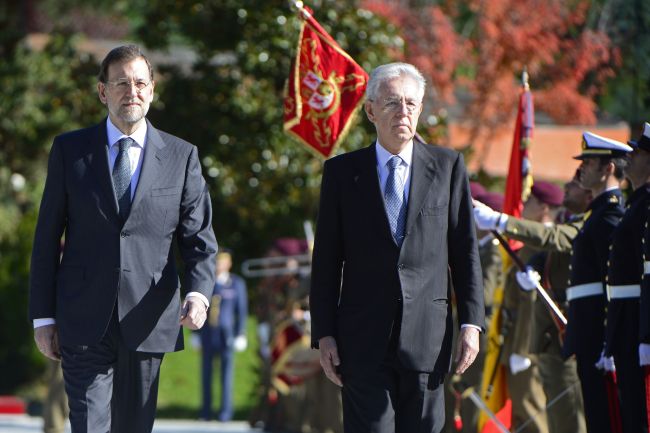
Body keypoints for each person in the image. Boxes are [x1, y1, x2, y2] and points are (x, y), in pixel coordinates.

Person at [28, 45, 218, 433]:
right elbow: (46, 238)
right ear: (103, 92)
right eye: (121, 83)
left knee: (134, 426)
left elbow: (198, 238)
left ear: (152, 90)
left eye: (140, 83)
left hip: (148, 319)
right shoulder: (70, 151)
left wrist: (198, 294)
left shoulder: (182, 157)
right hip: (82, 320)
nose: (132, 91)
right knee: (89, 425)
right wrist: (43, 316)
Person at [309, 62, 485, 433]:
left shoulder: (448, 167)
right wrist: (324, 332)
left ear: (420, 109)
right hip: (361, 341)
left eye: (410, 103)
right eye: (391, 103)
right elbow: (326, 260)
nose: (402, 112)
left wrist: (472, 321)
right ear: (371, 110)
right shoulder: (342, 173)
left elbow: (464, 251)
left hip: (428, 337)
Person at [474, 172, 590, 433]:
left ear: (544, 207)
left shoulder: (558, 235)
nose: (523, 204)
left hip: (546, 341)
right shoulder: (532, 243)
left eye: (530, 201)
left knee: (547, 417)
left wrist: (522, 349)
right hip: (537, 341)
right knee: (545, 416)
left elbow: (530, 303)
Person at [564, 132, 630, 433]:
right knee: (595, 415)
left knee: (606, 419)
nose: (582, 170)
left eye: (589, 163)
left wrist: (609, 340)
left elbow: (613, 281)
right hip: (588, 333)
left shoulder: (610, 215)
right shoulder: (598, 214)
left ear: (608, 169)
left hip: (598, 336)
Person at [603, 123, 650, 432]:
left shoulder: (644, 205)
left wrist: (645, 335)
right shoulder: (637, 204)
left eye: (639, 152)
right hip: (629, 321)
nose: (630, 157)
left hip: (637, 320)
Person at [198, 249, 248, 422]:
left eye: (223, 261)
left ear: (229, 263)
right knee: (206, 374)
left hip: (226, 334)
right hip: (208, 333)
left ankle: (225, 412)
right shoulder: (207, 281)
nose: (219, 264)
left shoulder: (236, 283)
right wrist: (195, 333)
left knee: (227, 375)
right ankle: (205, 412)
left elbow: (241, 311)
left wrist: (241, 333)